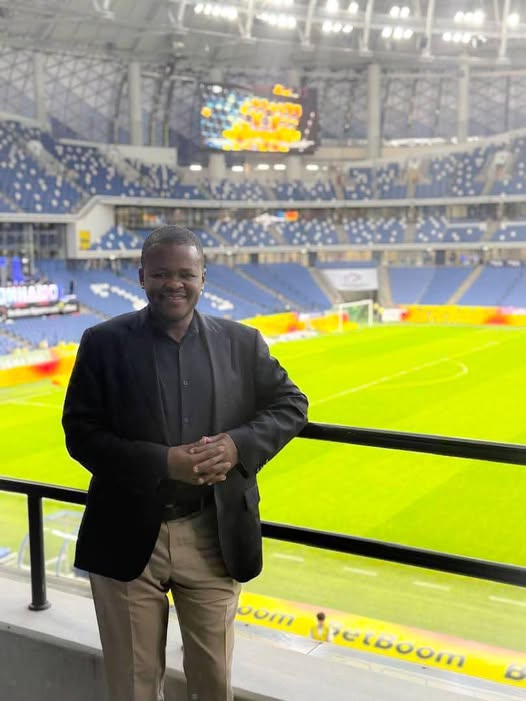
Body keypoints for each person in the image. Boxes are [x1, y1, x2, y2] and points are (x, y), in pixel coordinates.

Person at [62, 225, 308, 701]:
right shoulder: (103, 342)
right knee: (132, 685)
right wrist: (162, 463)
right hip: (126, 534)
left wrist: (238, 446)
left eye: (185, 274)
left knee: (214, 681)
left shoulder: (242, 342)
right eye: (160, 274)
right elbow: (81, 434)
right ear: (141, 277)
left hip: (214, 533)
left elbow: (292, 405)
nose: (173, 283)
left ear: (203, 278)